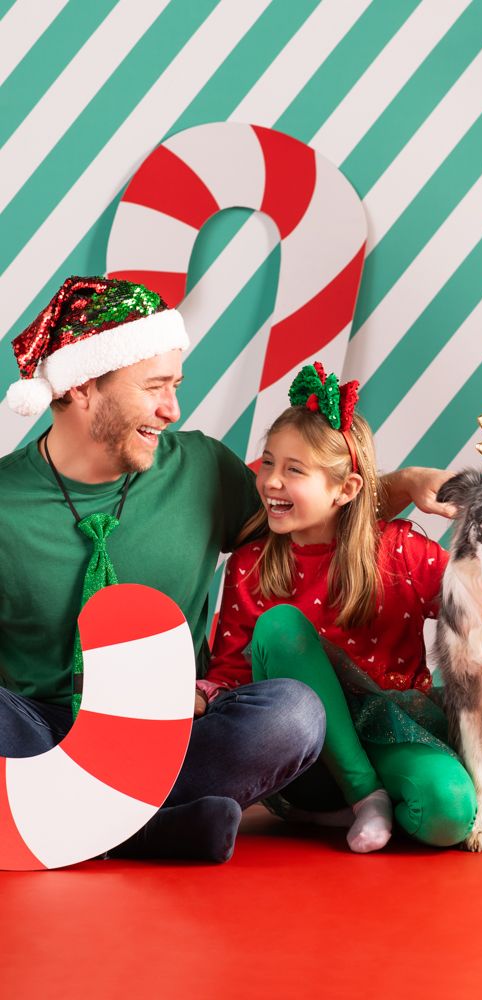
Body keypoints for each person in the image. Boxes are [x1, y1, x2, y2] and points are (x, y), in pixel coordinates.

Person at [0, 275, 449, 862]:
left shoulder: (200, 468)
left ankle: (84, 824)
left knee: (293, 715)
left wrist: (406, 483)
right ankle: (148, 831)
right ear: (83, 387)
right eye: (155, 387)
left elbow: (311, 512)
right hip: (44, 732)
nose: (172, 408)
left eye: (175, 386)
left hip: (175, 733)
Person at [199, 362, 476, 852]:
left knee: (449, 816)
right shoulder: (250, 563)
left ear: (345, 489)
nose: (271, 482)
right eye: (268, 463)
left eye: (293, 470)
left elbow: (473, 605)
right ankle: (365, 797)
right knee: (282, 624)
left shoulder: (400, 551)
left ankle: (358, 807)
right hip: (304, 756)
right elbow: (232, 673)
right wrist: (203, 698)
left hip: (389, 732)